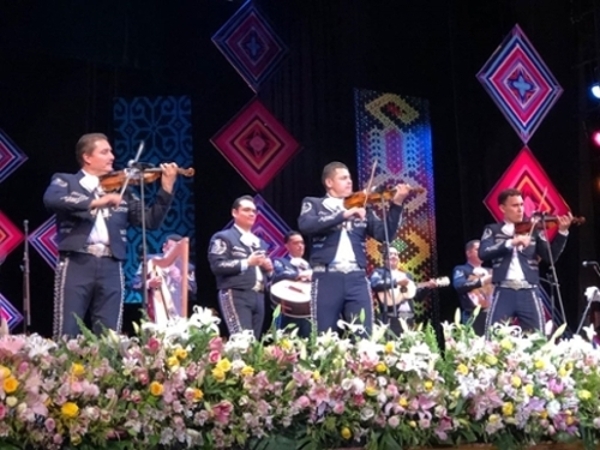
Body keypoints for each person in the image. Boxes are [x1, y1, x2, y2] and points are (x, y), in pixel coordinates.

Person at [43, 132, 178, 338]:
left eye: (111, 151)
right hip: (77, 261)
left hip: (111, 265)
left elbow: (150, 221)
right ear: (87, 157)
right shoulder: (66, 181)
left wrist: (166, 188)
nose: (112, 157)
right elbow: (52, 199)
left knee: (109, 334)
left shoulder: (122, 189)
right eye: (105, 152)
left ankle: (105, 370)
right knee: (67, 329)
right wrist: (96, 202)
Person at [298, 161, 410, 336]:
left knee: (363, 334)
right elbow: (306, 225)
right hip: (326, 277)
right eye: (343, 178)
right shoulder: (314, 204)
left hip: (356, 277)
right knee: (324, 335)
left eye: (349, 178)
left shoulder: (361, 205)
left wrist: (396, 205)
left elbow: (384, 234)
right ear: (329, 183)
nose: (349, 181)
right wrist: (344, 214)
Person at [478, 188, 572, 334]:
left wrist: (562, 232)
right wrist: (511, 243)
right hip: (504, 290)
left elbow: (550, 257)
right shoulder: (493, 230)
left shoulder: (534, 230)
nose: (520, 209)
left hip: (529, 291)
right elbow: (483, 253)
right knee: (494, 336)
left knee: (537, 337)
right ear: (503, 208)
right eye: (515, 205)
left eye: (521, 205)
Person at [208, 195, 273, 338]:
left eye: (254, 211)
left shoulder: (259, 243)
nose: (251, 214)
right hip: (236, 293)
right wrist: (247, 262)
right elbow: (217, 265)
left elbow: (260, 271)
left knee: (254, 344)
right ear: (234, 213)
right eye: (246, 210)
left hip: (258, 295)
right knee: (242, 342)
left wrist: (268, 270)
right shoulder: (223, 237)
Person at [370, 246, 437, 335]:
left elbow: (417, 297)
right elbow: (374, 284)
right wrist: (396, 283)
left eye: (396, 254)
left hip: (408, 317)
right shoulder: (379, 272)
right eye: (391, 254)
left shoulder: (407, 276)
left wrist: (428, 287)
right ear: (384, 258)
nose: (394, 256)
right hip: (390, 317)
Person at [132, 234, 197, 321]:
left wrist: (178, 277)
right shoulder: (149, 262)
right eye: (170, 248)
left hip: (178, 312)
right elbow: (134, 284)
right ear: (164, 247)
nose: (172, 252)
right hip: (153, 311)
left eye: (176, 250)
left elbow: (193, 291)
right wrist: (149, 283)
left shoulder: (188, 267)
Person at [271, 230, 312, 337]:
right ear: (287, 246)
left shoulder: (310, 267)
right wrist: (298, 275)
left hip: (307, 313)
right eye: (296, 243)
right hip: (287, 311)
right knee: (286, 346)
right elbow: (278, 276)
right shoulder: (280, 261)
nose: (300, 246)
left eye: (302, 243)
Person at [452, 240, 493, 335]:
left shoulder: (490, 270)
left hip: (491, 313)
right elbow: (459, 285)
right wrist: (481, 281)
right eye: (477, 249)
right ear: (468, 253)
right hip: (472, 314)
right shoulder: (461, 269)